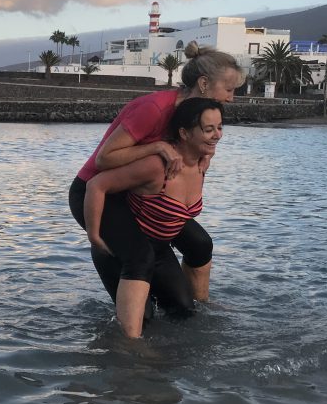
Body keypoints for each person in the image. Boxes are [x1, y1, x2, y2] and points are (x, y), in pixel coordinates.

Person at [68, 41, 243, 317]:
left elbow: (200, 139)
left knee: (198, 245)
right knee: (140, 259)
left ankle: (196, 303)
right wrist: (156, 147)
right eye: (230, 90)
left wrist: (206, 154)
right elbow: (103, 160)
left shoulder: (195, 116)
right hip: (96, 192)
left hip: (135, 188)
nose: (232, 98)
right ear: (204, 84)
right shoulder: (155, 108)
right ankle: (130, 337)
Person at [83, 98, 224, 337]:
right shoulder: (157, 166)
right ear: (184, 133)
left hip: (158, 251)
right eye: (208, 129)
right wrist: (94, 236)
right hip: (125, 255)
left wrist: (208, 151)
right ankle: (126, 356)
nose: (217, 135)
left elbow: (207, 144)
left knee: (184, 312)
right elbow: (96, 185)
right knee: (143, 321)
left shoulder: (201, 161)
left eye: (220, 127)